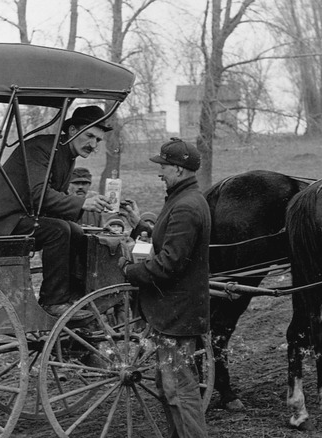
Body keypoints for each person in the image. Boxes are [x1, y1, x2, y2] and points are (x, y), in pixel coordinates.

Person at [0, 105, 112, 317]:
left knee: (77, 231)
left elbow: (50, 201)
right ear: (72, 131)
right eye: (89, 135)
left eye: (98, 140)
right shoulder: (42, 149)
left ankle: (74, 296)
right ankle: (53, 302)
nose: (92, 144)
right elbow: (39, 195)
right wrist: (81, 204)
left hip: (17, 218)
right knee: (59, 231)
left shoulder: (65, 154)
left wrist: (83, 206)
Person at [117, 138, 210, 438]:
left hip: (177, 315)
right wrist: (142, 228)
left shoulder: (186, 206)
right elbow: (169, 241)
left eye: (165, 166)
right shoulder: (183, 199)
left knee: (179, 390)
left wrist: (130, 271)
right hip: (173, 313)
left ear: (180, 170)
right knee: (170, 389)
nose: (160, 172)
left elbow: (170, 263)